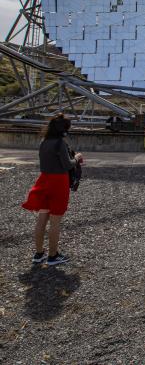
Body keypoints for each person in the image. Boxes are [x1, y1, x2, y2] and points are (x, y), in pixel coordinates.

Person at [21, 114, 83, 266]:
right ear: (64, 130)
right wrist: (77, 158)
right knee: (55, 221)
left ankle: (38, 254)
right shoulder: (59, 144)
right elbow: (68, 165)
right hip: (58, 183)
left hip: (44, 180)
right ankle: (53, 256)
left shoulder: (44, 142)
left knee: (42, 218)